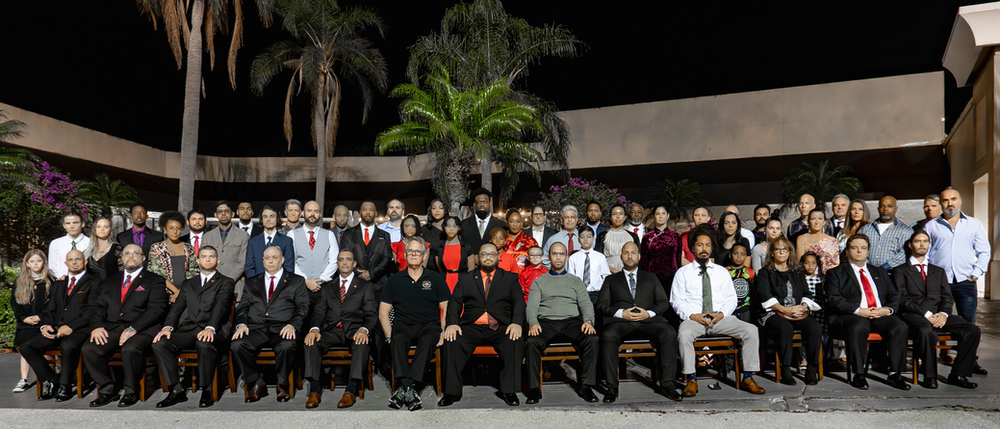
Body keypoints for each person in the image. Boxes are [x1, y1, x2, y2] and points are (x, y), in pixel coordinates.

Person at [671, 229, 766, 397]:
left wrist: (721, 314)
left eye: (707, 245)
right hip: (695, 319)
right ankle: (691, 379)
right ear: (693, 248)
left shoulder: (721, 272)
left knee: (751, 330)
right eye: (700, 245)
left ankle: (748, 376)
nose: (704, 248)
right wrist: (693, 316)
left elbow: (731, 298)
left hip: (720, 318)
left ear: (712, 248)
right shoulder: (683, 273)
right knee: (684, 334)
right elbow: (676, 301)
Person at [439, 243, 526, 407]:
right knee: (452, 340)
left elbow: (519, 303)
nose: (488, 257)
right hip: (472, 326)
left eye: (492, 254)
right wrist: (452, 323)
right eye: (484, 254)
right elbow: (455, 302)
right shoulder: (466, 278)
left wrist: (516, 323)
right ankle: (451, 392)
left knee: (514, 340)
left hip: (500, 326)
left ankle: (509, 390)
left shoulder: (509, 278)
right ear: (478, 258)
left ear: (498, 258)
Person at [82, 244, 168, 407]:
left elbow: (157, 309)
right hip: (113, 327)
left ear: (143, 258)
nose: (131, 255)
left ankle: (131, 391)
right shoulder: (111, 280)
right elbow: (97, 306)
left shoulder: (154, 280)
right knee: (90, 348)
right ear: (121, 258)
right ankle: (107, 390)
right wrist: (97, 326)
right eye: (127, 253)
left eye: (136, 253)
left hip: (143, 328)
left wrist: (134, 328)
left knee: (130, 348)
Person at [893, 230, 980, 389]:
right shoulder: (900, 271)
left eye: (925, 241)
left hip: (938, 314)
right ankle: (929, 376)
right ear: (910, 245)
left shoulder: (937, 271)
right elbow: (902, 299)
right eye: (918, 241)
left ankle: (958, 374)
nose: (922, 244)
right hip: (914, 314)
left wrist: (944, 313)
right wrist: (926, 314)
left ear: (929, 244)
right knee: (926, 330)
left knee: (972, 330)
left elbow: (947, 296)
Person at [596, 242, 682, 402]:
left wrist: (648, 314)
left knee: (669, 332)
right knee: (607, 335)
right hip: (621, 323)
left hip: (649, 321)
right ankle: (611, 388)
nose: (630, 256)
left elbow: (663, 302)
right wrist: (622, 313)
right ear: (621, 256)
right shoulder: (611, 279)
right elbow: (601, 306)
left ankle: (668, 385)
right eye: (626, 253)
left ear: (639, 256)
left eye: (633, 252)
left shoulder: (651, 277)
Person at [151, 245, 236, 408]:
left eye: (211, 256)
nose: (208, 259)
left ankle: (206, 389)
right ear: (197, 261)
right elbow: (177, 308)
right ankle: (176, 390)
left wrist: (211, 327)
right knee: (160, 343)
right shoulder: (188, 284)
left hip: (215, 329)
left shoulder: (226, 282)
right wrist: (167, 327)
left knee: (203, 343)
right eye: (204, 256)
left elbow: (221, 307)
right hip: (190, 329)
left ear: (217, 261)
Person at [825, 234, 910, 390]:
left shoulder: (880, 272)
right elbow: (834, 299)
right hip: (850, 316)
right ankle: (859, 374)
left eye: (863, 248)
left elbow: (894, 296)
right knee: (859, 325)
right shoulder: (835, 273)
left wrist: (887, 310)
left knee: (900, 326)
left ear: (868, 251)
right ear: (847, 251)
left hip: (878, 314)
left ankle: (895, 374)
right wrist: (859, 311)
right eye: (854, 248)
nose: (859, 251)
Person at [232, 246, 310, 403]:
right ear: (262, 260)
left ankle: (282, 384)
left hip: (282, 327)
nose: (270, 260)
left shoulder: (296, 281)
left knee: (287, 345)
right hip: (257, 327)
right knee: (237, 344)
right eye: (267, 257)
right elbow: (243, 307)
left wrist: (292, 325)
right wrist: (241, 324)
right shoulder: (252, 281)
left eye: (274, 257)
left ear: (282, 260)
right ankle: (256, 383)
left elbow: (303, 308)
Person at [379, 237, 449, 412]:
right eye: (411, 251)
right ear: (405, 254)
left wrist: (443, 330)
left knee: (428, 341)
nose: (414, 254)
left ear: (424, 256)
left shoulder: (436, 278)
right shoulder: (394, 280)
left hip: (429, 324)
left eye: (418, 251)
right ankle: (410, 389)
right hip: (404, 324)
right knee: (397, 338)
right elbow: (383, 312)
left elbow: (446, 307)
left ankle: (404, 389)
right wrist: (388, 335)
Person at [525, 242, 600, 404]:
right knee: (532, 342)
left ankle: (585, 386)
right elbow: (532, 306)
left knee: (592, 339)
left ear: (566, 257)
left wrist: (588, 320)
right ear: (549, 257)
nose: (558, 257)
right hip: (546, 322)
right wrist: (533, 322)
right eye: (554, 254)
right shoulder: (539, 281)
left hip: (571, 321)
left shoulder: (575, 281)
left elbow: (586, 304)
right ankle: (534, 389)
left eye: (561, 254)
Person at [925, 188, 989, 375]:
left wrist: (976, 274)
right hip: (938, 282)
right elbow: (926, 253)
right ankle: (933, 359)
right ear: (941, 203)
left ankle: (969, 361)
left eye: (953, 199)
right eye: (945, 200)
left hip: (965, 281)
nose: (950, 203)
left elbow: (984, 251)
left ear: (960, 200)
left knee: (968, 323)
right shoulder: (932, 226)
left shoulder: (973, 224)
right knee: (936, 321)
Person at [302, 250, 377, 409]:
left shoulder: (365, 286)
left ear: (354, 264)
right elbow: (319, 312)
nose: (344, 262)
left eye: (348, 259)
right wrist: (314, 329)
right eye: (341, 259)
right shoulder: (328, 287)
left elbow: (371, 313)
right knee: (310, 341)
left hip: (354, 330)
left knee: (362, 343)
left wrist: (364, 329)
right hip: (331, 331)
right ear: (336, 264)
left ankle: (351, 390)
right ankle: (314, 390)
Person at [19, 250, 96, 400]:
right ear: (65, 264)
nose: (74, 262)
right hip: (57, 328)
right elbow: (50, 310)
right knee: (26, 346)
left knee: (68, 345)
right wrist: (45, 325)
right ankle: (51, 379)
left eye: (77, 259)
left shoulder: (94, 282)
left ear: (85, 262)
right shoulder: (59, 284)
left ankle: (65, 386)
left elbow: (92, 311)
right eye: (70, 260)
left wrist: (71, 327)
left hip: (80, 329)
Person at [755, 236, 822, 386]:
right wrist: (785, 310)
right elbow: (765, 296)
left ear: (789, 252)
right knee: (785, 327)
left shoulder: (797, 272)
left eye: (784, 249)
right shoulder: (765, 272)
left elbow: (807, 293)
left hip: (797, 312)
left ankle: (811, 369)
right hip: (773, 312)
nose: (781, 252)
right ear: (771, 253)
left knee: (814, 327)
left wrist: (803, 307)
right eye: (777, 249)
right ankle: (785, 369)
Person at [10, 249, 53, 394]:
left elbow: (53, 304)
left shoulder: (50, 280)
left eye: (39, 261)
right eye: (32, 261)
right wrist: (23, 318)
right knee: (24, 350)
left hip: (43, 322)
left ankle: (50, 379)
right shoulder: (20, 280)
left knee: (47, 352)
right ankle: (24, 379)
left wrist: (41, 317)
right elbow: (14, 303)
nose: (36, 264)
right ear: (27, 264)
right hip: (25, 322)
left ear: (44, 262)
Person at [289, 200, 339, 299]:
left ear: (320, 214)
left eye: (316, 211)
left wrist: (321, 280)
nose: (312, 214)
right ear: (303, 213)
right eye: (309, 211)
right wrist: (306, 280)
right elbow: (291, 262)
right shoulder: (292, 234)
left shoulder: (329, 235)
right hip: (300, 287)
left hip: (324, 288)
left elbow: (334, 261)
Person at [340, 201, 395, 290]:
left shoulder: (385, 235)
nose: (368, 212)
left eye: (371, 210)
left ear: (376, 213)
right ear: (360, 213)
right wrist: (359, 274)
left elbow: (387, 258)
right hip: (354, 284)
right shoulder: (348, 234)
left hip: (378, 285)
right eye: (365, 209)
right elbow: (344, 256)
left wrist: (371, 273)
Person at [147, 211, 199, 302]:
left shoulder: (188, 248)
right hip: (163, 295)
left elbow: (194, 271)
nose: (174, 232)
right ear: (165, 229)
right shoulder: (157, 248)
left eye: (178, 228)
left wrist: (182, 292)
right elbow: (156, 273)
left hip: (185, 295)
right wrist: (175, 292)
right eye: (171, 228)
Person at [203, 200, 250, 299]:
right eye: (220, 212)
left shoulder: (243, 235)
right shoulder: (207, 236)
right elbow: (203, 261)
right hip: (212, 287)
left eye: (226, 211)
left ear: (232, 214)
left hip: (234, 286)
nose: (223, 214)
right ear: (216, 215)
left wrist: (227, 281)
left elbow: (242, 263)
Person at [640, 205, 683, 299]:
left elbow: (678, 258)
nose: (660, 216)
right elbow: (643, 261)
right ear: (654, 216)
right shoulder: (647, 237)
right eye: (657, 214)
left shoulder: (677, 236)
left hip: (671, 276)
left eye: (663, 214)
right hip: (652, 277)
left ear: (668, 216)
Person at [858, 196, 912, 270]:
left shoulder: (905, 231)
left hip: (892, 275)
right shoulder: (865, 229)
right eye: (882, 206)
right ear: (878, 209)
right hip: (867, 272)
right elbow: (858, 248)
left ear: (896, 209)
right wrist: (868, 267)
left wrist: (886, 266)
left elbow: (905, 253)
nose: (886, 209)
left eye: (890, 206)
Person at [245, 205, 295, 277]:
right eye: (265, 217)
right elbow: (249, 268)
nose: (268, 219)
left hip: (280, 286)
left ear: (277, 219)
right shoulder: (253, 242)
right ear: (262, 220)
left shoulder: (286, 241)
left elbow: (289, 268)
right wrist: (257, 284)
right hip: (258, 285)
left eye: (272, 216)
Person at [568, 227, 612, 304]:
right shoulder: (573, 258)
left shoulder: (600, 257)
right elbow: (571, 278)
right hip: (579, 294)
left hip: (597, 294)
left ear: (593, 239)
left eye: (589, 237)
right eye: (582, 237)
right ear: (578, 240)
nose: (585, 239)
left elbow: (606, 276)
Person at [595, 204, 640, 273]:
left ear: (625, 217)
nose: (618, 216)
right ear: (610, 217)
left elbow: (637, 257)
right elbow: (598, 257)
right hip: (607, 271)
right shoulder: (603, 235)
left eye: (621, 214)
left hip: (629, 271)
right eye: (614, 214)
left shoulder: (633, 236)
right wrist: (613, 271)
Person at [434, 215, 475, 292]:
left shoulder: (466, 248)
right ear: (444, 227)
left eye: (454, 226)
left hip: (462, 282)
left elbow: (471, 270)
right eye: (448, 226)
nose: (451, 229)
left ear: (459, 228)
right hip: (444, 282)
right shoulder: (439, 248)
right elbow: (440, 269)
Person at [48, 212, 90, 279]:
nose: (71, 226)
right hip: (61, 283)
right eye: (68, 223)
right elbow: (52, 267)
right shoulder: (56, 244)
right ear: (64, 225)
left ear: (82, 224)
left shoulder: (90, 243)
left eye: (75, 223)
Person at [84, 216, 122, 281]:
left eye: (106, 227)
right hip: (92, 288)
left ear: (110, 229)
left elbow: (123, 271)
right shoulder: (88, 251)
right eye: (99, 227)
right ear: (94, 229)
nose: (102, 229)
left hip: (111, 287)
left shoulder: (117, 248)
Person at [503, 209, 538, 273]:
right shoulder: (501, 241)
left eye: (518, 221)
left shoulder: (530, 241)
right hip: (504, 277)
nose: (515, 224)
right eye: (511, 221)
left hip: (526, 277)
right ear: (507, 223)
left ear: (522, 222)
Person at [727, 244, 755, 322]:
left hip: (745, 309)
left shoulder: (750, 272)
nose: (739, 256)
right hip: (730, 308)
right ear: (730, 255)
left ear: (746, 256)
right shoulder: (725, 271)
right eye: (736, 253)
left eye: (742, 254)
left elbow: (754, 290)